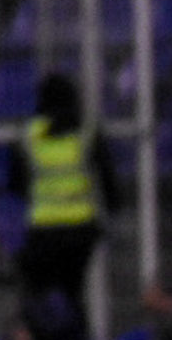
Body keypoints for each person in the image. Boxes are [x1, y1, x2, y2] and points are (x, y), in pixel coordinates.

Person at [11, 71, 110, 322]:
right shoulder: (87, 130)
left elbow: (15, 183)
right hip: (80, 229)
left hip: (44, 229)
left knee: (40, 297)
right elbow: (107, 180)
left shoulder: (29, 134)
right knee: (73, 295)